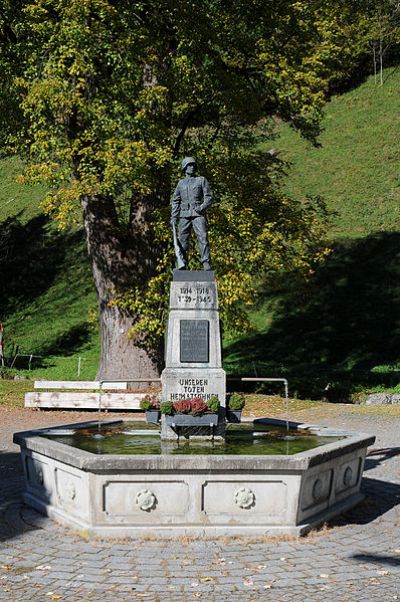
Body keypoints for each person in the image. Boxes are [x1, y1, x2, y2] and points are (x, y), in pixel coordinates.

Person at [171, 157, 213, 270]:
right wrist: (174, 217)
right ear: (184, 168)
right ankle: (183, 264)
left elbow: (209, 197)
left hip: (198, 214)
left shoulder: (201, 180)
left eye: (193, 165)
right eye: (189, 165)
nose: (192, 167)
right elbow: (176, 201)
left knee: (203, 237)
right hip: (184, 215)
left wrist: (201, 208)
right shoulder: (180, 183)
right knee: (182, 240)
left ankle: (206, 262)